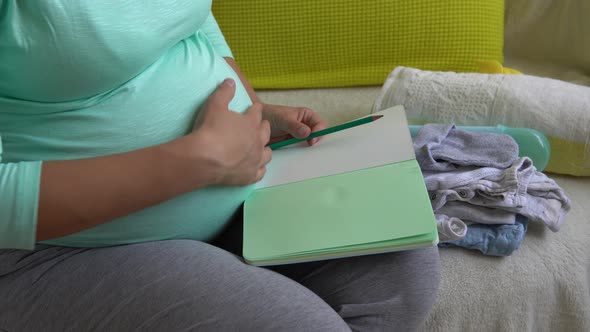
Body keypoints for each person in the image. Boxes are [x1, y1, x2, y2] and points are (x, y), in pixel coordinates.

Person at [0, 1, 440, 331]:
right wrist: (196, 161)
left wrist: (252, 113)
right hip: (55, 250)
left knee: (399, 276)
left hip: (229, 180)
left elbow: (185, 20)